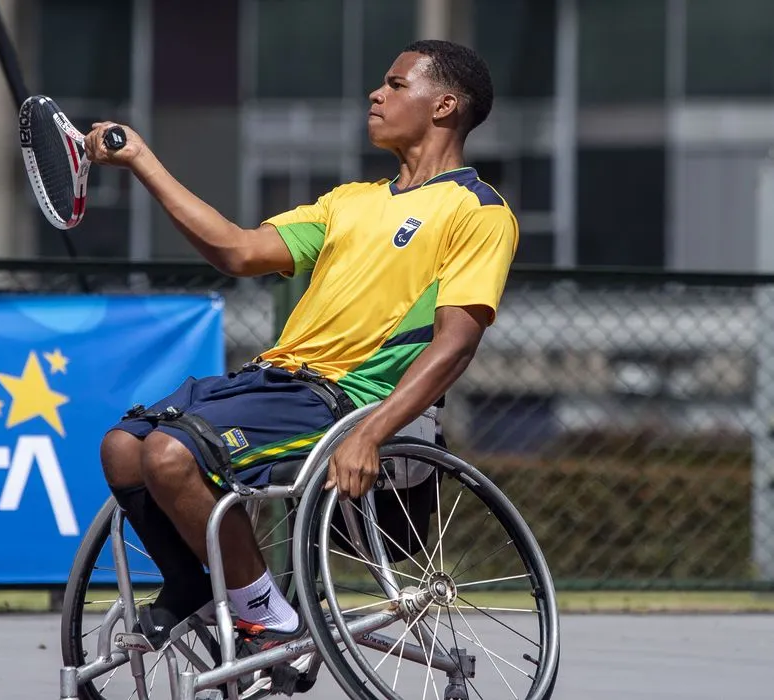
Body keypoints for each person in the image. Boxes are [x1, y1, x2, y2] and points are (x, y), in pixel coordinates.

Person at [84, 39, 518, 655]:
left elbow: (454, 345)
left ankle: (271, 620)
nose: (377, 93)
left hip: (348, 399)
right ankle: (193, 587)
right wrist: (142, 159)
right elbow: (236, 250)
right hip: (275, 381)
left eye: (396, 85)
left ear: (444, 105)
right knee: (124, 447)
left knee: (170, 457)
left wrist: (370, 434)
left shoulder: (479, 211)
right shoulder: (348, 203)